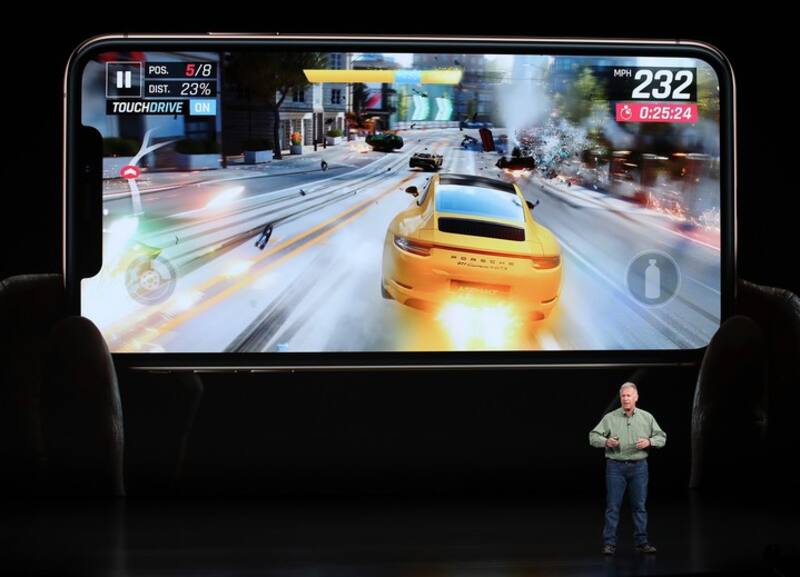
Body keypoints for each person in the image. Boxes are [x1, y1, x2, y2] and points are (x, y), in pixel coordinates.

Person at [589, 382, 666, 555]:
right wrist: (606, 441)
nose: (625, 399)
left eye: (628, 395)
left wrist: (650, 442)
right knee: (613, 507)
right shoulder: (610, 418)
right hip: (615, 467)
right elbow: (592, 436)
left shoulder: (646, 417)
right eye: (623, 396)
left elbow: (662, 437)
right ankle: (609, 544)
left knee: (639, 506)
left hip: (639, 467)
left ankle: (642, 542)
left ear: (636, 397)